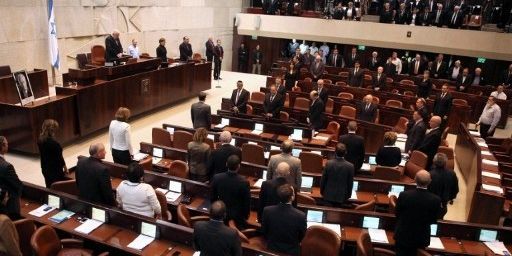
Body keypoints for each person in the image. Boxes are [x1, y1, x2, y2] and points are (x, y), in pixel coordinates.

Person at [394, 170, 442, 256]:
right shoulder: (436, 200)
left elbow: (397, 213)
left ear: (415, 179)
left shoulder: (404, 195)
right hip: (421, 237)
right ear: (430, 181)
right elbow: (434, 220)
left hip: (403, 235)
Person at [262, 184, 306, 256]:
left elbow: (264, 231)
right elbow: (302, 236)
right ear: (292, 197)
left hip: (272, 249)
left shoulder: (267, 210)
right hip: (292, 251)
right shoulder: (301, 216)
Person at [210, 155, 250, 229]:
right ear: (239, 166)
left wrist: (215, 210)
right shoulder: (244, 182)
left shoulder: (217, 177)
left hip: (220, 213)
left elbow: (212, 197)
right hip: (237, 218)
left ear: (226, 164)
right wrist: (245, 216)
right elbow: (246, 202)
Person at [37, 119, 68, 188]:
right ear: (52, 130)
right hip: (55, 170)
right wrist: (65, 168)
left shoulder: (40, 140)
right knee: (58, 187)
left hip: (45, 168)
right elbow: (59, 158)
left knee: (49, 186)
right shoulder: (54, 144)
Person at [428, 153, 459, 218]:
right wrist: (449, 198)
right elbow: (455, 190)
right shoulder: (452, 173)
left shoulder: (429, 174)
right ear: (445, 163)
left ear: (434, 162)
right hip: (443, 205)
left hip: (430, 204)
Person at [0, 136, 22, 219]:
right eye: (7, 144)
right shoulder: (7, 166)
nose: (8, 146)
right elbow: (18, 185)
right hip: (8, 206)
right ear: (3, 146)